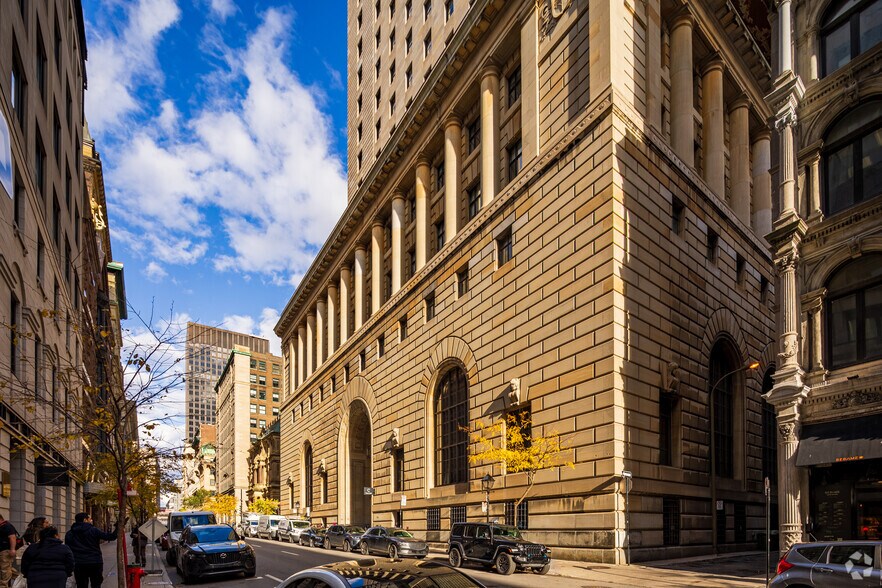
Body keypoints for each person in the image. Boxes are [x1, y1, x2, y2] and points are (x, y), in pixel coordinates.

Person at [65, 513, 117, 588]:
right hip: (94, 562)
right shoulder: (93, 530)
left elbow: (68, 550)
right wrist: (118, 527)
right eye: (90, 519)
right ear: (85, 520)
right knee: (96, 585)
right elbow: (111, 537)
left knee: (81, 585)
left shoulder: (70, 533)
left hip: (79, 563)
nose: (91, 520)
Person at [0, 513, 19, 587]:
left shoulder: (7, 526)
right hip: (2, 550)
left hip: (5, 551)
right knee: (7, 568)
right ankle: (20, 578)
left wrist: (12, 549)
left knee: (5, 569)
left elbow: (12, 537)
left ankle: (3, 585)